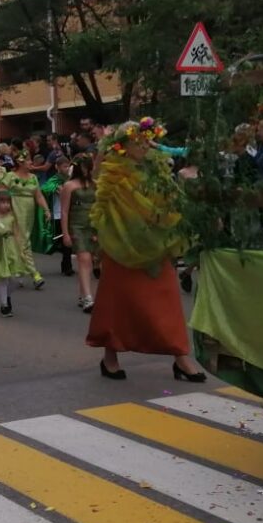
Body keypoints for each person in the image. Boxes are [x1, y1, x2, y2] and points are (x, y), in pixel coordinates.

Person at [87, 118, 206, 382]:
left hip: (155, 245)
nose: (143, 145)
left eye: (146, 140)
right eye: (137, 141)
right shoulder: (114, 168)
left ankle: (181, 357)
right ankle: (110, 357)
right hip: (120, 245)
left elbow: (172, 200)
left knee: (166, 298)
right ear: (123, 144)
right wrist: (103, 147)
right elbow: (98, 183)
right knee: (117, 302)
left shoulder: (157, 167)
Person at [0, 150, 51, 288]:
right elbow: (1, 192)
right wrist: (4, 209)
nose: (31, 163)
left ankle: (18, 272)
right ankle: (35, 274)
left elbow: (38, 195)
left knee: (23, 240)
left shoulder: (33, 177)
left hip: (29, 212)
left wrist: (46, 209)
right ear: (20, 162)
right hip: (15, 210)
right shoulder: (10, 176)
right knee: (22, 241)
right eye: (28, 160)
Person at [60, 153, 98, 312]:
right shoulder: (69, 186)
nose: (85, 170)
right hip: (77, 226)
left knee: (91, 260)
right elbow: (64, 211)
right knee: (84, 259)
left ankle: (83, 295)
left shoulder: (95, 184)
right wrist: (65, 233)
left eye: (88, 166)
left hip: (93, 225)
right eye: (83, 166)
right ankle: (88, 297)